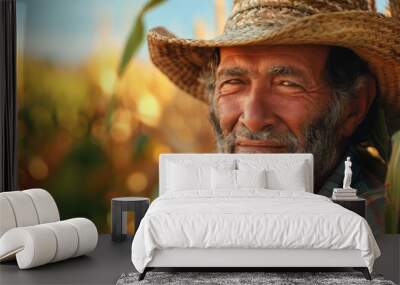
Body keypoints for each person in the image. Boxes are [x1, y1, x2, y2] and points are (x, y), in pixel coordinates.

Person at [146, 0, 400, 234]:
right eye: (234, 82)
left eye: (287, 84)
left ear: (354, 107)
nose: (253, 118)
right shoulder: (186, 212)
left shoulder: (382, 228)